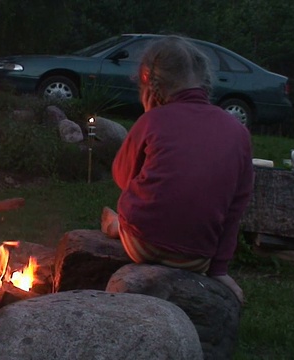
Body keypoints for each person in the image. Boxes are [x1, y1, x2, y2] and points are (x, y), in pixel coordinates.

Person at [101, 35, 254, 304]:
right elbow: (236, 207)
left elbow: (122, 177)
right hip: (197, 257)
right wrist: (219, 270)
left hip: (142, 243)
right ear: (205, 81)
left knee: (130, 208)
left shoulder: (152, 120)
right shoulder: (238, 132)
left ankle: (118, 225)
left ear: (148, 82)